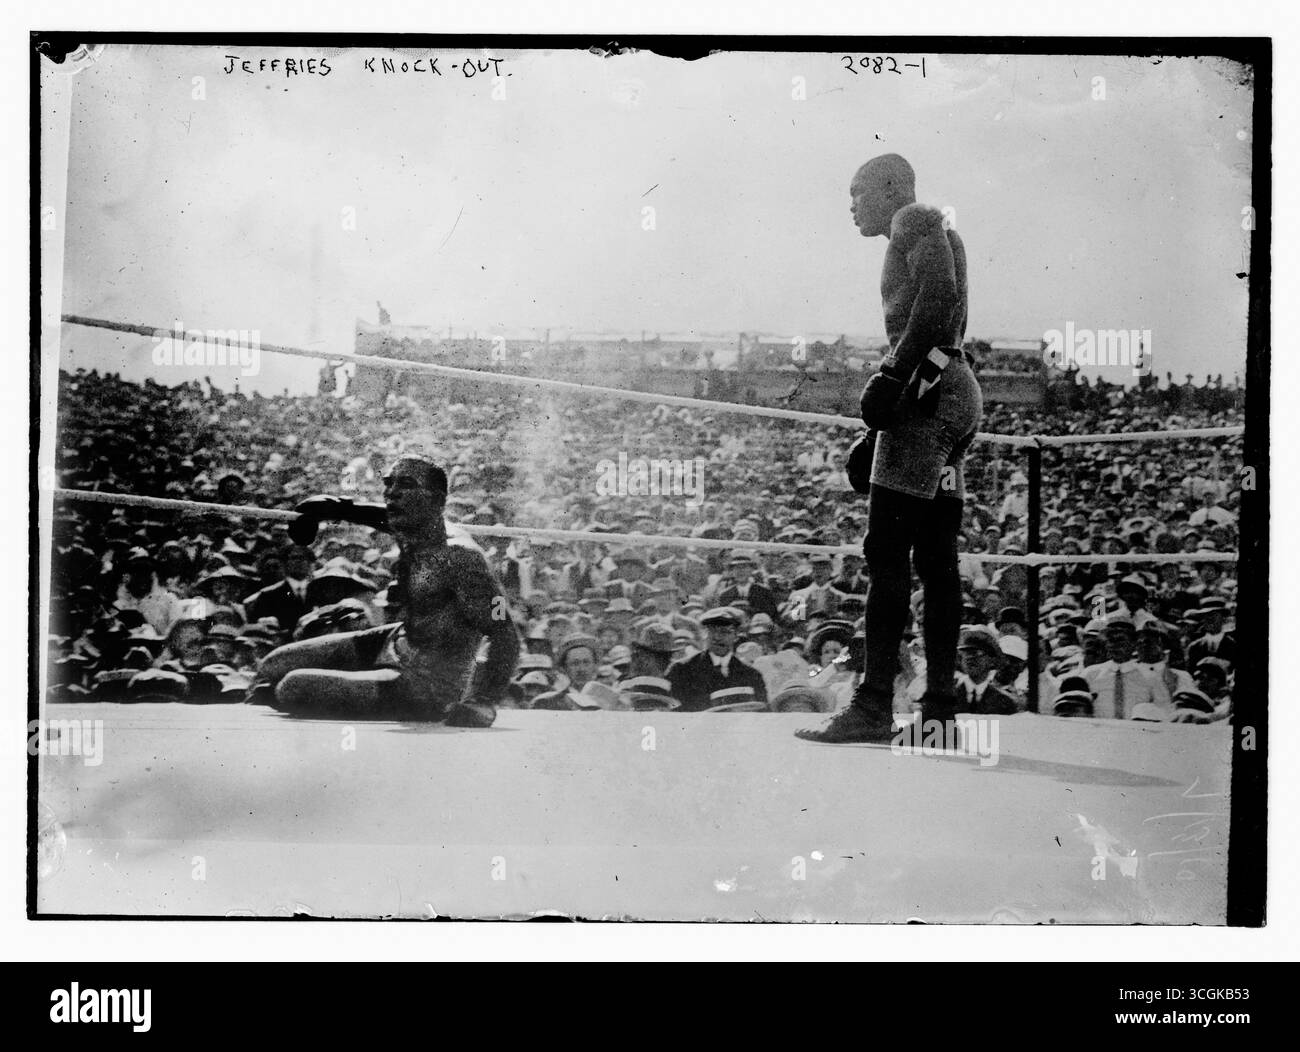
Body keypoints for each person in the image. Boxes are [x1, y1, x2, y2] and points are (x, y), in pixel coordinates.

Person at [800, 153, 981, 744]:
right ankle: (938, 713)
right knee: (935, 560)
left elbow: (936, 300)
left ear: (888, 188)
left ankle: (875, 704)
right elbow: (948, 317)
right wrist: (883, 424)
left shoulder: (913, 218)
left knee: (886, 551)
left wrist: (889, 375)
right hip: (946, 387)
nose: (851, 206)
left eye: (857, 193)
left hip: (927, 394)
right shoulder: (935, 227)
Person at [256, 454, 520, 725]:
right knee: (273, 665)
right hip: (397, 640)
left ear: (436, 500)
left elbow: (505, 631)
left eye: (406, 484)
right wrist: (336, 507)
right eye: (389, 483)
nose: (392, 492)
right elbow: (379, 515)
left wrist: (484, 701)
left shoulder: (460, 557)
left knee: (293, 687)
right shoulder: (412, 524)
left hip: (429, 683)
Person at [668, 607, 769, 712]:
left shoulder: (751, 675)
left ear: (736, 636)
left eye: (724, 632)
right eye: (712, 631)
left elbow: (763, 714)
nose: (717, 637)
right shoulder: (683, 670)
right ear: (705, 634)